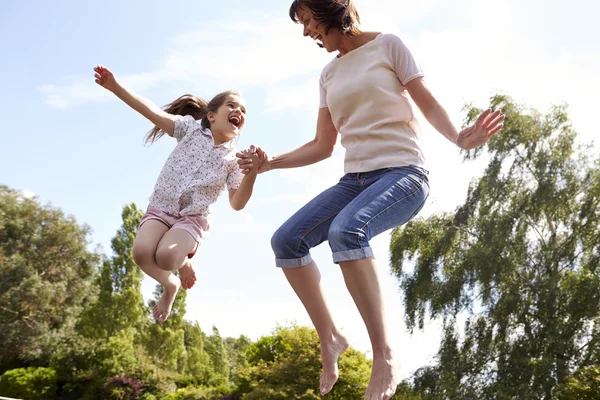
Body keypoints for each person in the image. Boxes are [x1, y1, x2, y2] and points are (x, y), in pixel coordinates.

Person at [237, 1, 505, 399]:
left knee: (348, 230)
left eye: (308, 21)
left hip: (403, 173)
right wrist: (268, 164)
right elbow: (323, 145)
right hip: (354, 180)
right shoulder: (328, 74)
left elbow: (426, 101)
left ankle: (385, 355)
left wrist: (460, 138)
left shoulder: (388, 45)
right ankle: (330, 338)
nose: (306, 32)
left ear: (330, 11)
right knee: (286, 240)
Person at [94, 65, 261, 323]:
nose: (239, 111)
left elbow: (237, 203)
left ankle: (180, 262)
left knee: (166, 256)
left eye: (244, 111)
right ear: (212, 115)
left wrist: (252, 173)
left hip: (191, 219)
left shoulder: (234, 161)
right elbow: (150, 110)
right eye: (231, 105)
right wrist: (116, 87)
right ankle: (170, 284)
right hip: (161, 208)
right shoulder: (189, 129)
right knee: (140, 253)